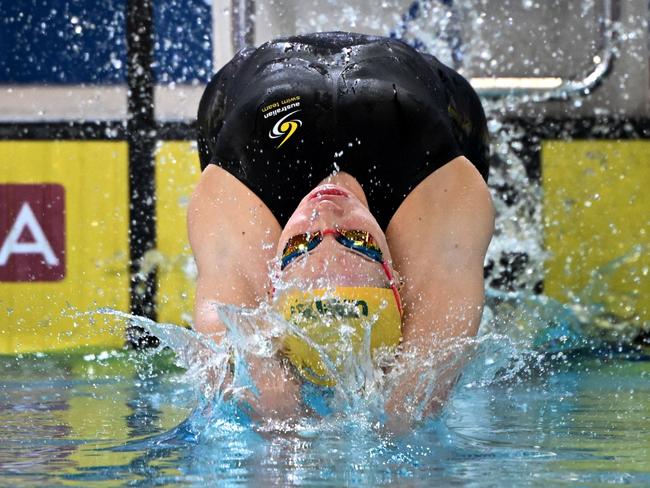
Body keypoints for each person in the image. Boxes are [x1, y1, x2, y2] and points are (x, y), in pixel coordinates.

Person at [189, 31, 494, 423]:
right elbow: (409, 410)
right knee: (452, 285)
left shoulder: (243, 186)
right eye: (357, 241)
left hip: (249, 99)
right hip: (415, 110)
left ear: (273, 275)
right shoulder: (439, 190)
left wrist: (279, 405)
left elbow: (224, 329)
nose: (326, 214)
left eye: (303, 242)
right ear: (396, 275)